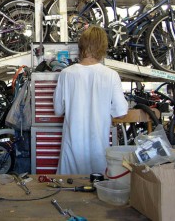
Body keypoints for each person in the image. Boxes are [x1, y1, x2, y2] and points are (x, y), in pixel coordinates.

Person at [54, 25, 128, 175]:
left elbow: (58, 110)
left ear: (81, 46)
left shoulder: (66, 74)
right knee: (97, 193)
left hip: (72, 153)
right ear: (102, 47)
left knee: (69, 193)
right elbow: (121, 111)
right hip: (98, 154)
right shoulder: (111, 75)